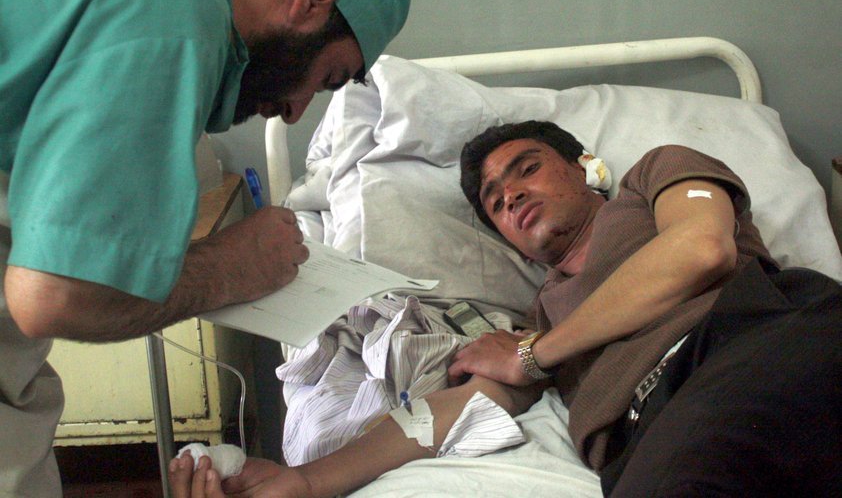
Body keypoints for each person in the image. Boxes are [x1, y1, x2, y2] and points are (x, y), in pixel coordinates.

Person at [170, 120, 841, 497]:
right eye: (494, 200)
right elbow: (447, 412)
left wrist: (536, 354)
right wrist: (304, 483)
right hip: (658, 427)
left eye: (527, 167)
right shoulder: (540, 323)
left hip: (763, 335)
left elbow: (701, 250)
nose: (510, 194)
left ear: (585, 167)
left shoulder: (654, 176)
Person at [0, 0, 410, 495]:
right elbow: (55, 297)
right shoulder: (173, 15)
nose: (295, 112)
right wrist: (228, 269)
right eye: (325, 78)